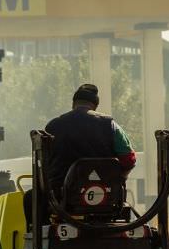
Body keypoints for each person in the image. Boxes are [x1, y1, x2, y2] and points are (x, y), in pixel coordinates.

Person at [25, 84, 136, 224]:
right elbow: (129, 159)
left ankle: (45, 238)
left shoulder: (53, 126)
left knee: (31, 198)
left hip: (61, 197)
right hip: (106, 196)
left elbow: (44, 164)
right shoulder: (111, 125)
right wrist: (120, 178)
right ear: (95, 106)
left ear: (73, 104)